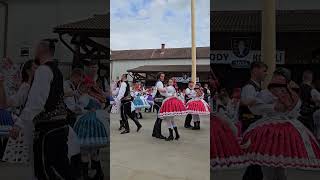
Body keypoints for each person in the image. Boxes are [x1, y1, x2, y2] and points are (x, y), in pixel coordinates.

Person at [9, 39, 73, 179]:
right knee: (60, 168)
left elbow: (36, 103)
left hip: (48, 129)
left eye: (36, 46)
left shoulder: (44, 70)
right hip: (60, 127)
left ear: (41, 50)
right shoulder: (57, 71)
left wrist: (19, 124)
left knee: (45, 170)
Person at [242, 68, 320, 180]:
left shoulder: (291, 94)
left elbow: (295, 110)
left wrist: (285, 109)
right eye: (275, 78)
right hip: (270, 130)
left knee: (279, 169)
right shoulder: (267, 93)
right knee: (269, 168)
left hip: (283, 131)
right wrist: (273, 107)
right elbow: (255, 108)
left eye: (280, 78)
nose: (277, 81)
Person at [73, 78, 108, 180]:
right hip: (97, 124)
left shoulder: (84, 97)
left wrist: (81, 110)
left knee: (84, 152)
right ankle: (99, 174)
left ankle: (85, 175)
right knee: (94, 152)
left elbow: (77, 109)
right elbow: (101, 107)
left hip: (85, 124)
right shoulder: (98, 97)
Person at [240, 62, 268, 180]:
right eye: (264, 70)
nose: (266, 74)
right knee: (255, 159)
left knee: (256, 161)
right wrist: (263, 100)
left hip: (255, 126)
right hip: (251, 126)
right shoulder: (249, 87)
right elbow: (246, 101)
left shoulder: (256, 87)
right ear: (255, 70)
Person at [152, 72, 167, 139]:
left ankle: (155, 133)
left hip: (157, 101)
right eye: (162, 76)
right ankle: (158, 134)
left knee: (158, 117)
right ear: (159, 77)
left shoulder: (158, 82)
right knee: (160, 118)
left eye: (163, 76)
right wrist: (167, 89)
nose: (163, 77)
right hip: (159, 101)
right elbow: (161, 91)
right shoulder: (160, 83)